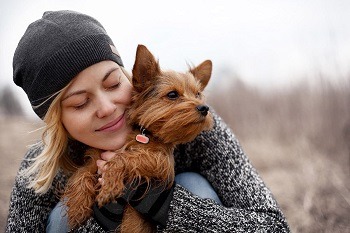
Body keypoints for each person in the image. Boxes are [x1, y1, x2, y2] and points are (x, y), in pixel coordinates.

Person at [6, 10, 290, 233]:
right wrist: (102, 221)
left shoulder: (201, 131)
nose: (107, 108)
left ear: (132, 78)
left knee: (194, 185)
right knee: (61, 218)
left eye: (114, 84)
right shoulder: (39, 171)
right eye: (80, 103)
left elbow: (274, 227)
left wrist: (170, 207)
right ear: (56, 120)